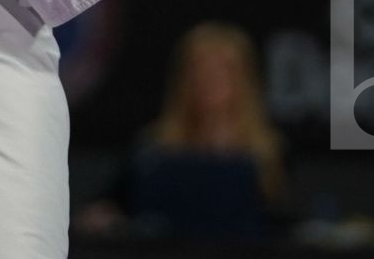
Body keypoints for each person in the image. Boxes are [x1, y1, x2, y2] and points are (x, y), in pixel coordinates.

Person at [77, 22, 285, 240]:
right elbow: (110, 206)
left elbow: (285, 224)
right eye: (199, 70)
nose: (209, 80)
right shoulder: (153, 150)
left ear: (243, 79)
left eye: (221, 70)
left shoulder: (270, 151)